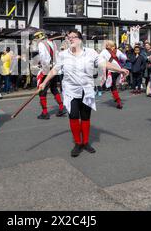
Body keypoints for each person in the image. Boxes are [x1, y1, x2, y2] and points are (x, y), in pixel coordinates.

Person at [38, 29, 129, 157]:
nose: (70, 39)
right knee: (74, 116)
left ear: (80, 39)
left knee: (85, 117)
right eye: (68, 38)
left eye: (73, 37)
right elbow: (54, 70)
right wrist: (44, 82)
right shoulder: (63, 55)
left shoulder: (91, 53)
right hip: (70, 91)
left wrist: (119, 69)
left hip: (87, 90)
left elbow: (104, 63)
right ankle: (78, 143)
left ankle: (85, 142)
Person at [34, 31, 66, 119]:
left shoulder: (41, 44)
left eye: (36, 38)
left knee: (42, 91)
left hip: (46, 70)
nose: (36, 40)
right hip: (54, 69)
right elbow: (57, 56)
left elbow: (43, 57)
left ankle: (45, 113)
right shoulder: (53, 43)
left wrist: (42, 65)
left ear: (38, 37)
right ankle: (61, 107)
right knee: (54, 88)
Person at [100, 40, 127, 109]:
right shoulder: (116, 50)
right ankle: (116, 97)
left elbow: (99, 61)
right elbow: (124, 58)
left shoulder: (104, 52)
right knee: (115, 84)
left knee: (113, 86)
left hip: (111, 70)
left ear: (107, 45)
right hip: (118, 69)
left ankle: (118, 101)